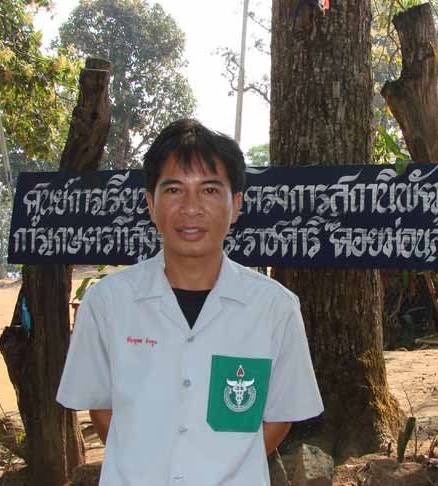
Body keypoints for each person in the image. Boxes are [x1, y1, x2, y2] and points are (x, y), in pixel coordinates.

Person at [57, 119, 323, 485]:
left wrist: (218, 472)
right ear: (151, 204)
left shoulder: (275, 308)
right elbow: (102, 409)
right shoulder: (107, 303)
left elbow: (279, 417)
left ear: (236, 204)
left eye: (209, 190)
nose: (191, 208)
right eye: (174, 190)